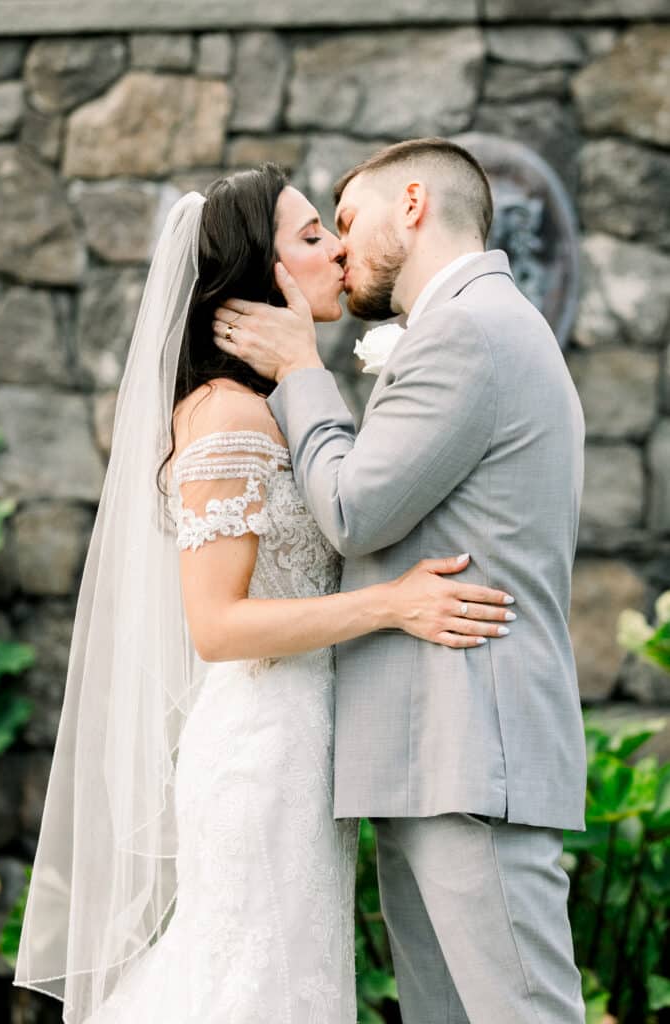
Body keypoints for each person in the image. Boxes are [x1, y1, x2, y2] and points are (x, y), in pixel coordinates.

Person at [13, 164, 516, 1024]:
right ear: (259, 275)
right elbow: (216, 625)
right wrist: (392, 604)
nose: (338, 249)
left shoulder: (273, 404)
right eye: (312, 235)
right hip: (258, 754)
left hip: (304, 748)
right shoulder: (225, 416)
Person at [213, 138, 588, 1024]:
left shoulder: (468, 328)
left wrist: (303, 371)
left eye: (346, 222)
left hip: (469, 749)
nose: (340, 251)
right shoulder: (473, 325)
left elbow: (353, 511)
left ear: (411, 204)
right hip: (430, 756)